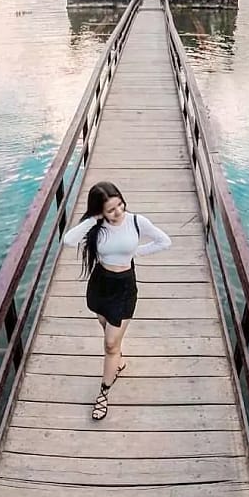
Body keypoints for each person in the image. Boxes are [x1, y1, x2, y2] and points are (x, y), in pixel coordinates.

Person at [62, 180, 171, 420]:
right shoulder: (96, 226)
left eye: (120, 205)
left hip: (124, 288)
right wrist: (93, 219)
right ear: (100, 209)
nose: (118, 212)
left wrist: (136, 252)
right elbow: (68, 240)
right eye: (110, 209)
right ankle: (117, 362)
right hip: (100, 285)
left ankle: (103, 393)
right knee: (108, 333)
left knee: (110, 343)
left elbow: (165, 241)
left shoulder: (136, 221)